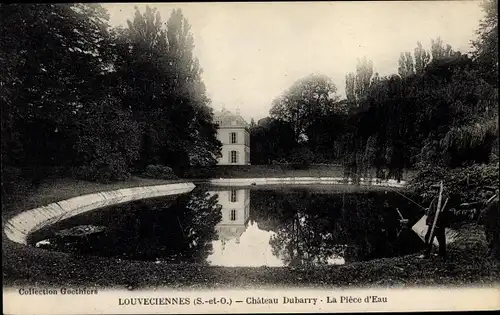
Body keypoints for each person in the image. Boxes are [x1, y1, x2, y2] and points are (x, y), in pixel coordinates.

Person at [419, 184, 450, 260]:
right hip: (434, 222)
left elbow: (441, 212)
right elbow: (435, 210)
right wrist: (429, 210)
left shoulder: (440, 199)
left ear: (436, 190)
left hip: (436, 222)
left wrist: (436, 222)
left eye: (433, 190)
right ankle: (442, 254)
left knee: (430, 237)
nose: (431, 192)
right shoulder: (437, 198)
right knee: (440, 238)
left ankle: (427, 254)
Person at [478, 187, 499, 259]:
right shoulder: (490, 200)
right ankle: (491, 252)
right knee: (490, 238)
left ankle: (494, 254)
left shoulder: (495, 201)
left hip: (493, 223)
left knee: (494, 238)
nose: (486, 193)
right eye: (486, 191)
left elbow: (489, 212)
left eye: (488, 192)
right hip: (489, 223)